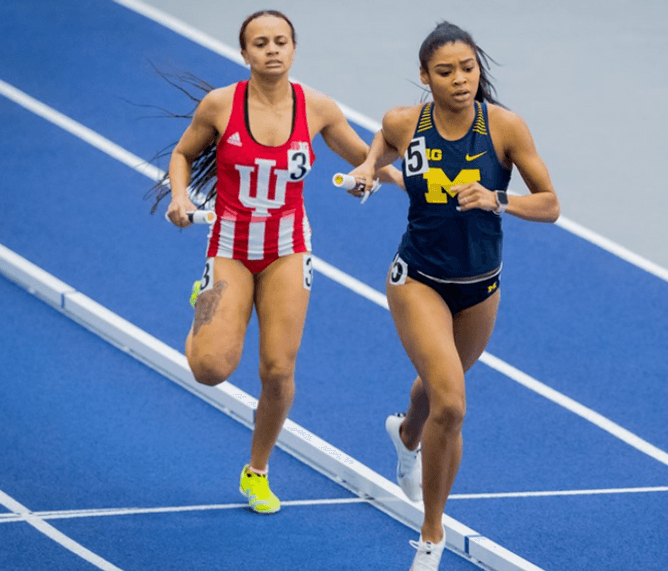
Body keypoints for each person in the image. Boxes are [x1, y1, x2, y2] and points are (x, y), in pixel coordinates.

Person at [161, 9, 401, 515]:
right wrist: (179, 197)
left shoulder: (316, 108)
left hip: (287, 250)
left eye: (281, 41)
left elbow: (366, 158)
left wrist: (377, 175)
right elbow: (183, 155)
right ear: (245, 53)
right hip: (228, 247)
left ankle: (258, 471)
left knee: (276, 368)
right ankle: (204, 299)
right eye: (261, 43)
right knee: (209, 369)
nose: (272, 49)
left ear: (294, 49)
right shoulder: (220, 106)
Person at [346, 21, 560, 570]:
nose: (460, 79)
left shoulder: (506, 129)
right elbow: (385, 142)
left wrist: (498, 199)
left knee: (436, 394)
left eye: (468, 68)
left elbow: (551, 204)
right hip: (417, 278)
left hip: (480, 285)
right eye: (446, 72)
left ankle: (405, 434)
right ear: (425, 77)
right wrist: (372, 168)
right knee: (453, 403)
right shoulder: (406, 121)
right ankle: (432, 536)